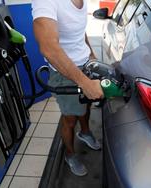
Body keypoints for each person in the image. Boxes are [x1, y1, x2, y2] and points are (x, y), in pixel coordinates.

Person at [32, 0, 104, 176]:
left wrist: (91, 53)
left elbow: (79, 30)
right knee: (69, 119)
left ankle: (85, 133)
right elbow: (49, 48)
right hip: (65, 72)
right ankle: (70, 154)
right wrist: (85, 83)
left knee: (85, 106)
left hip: (85, 64)